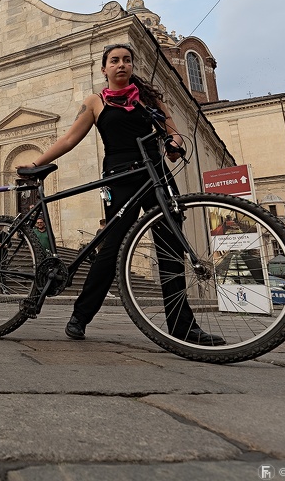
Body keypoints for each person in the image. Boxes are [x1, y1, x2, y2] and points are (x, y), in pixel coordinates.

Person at [29, 43, 224, 346]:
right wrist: (35, 163)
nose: (121, 64)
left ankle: (183, 327)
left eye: (127, 60)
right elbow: (68, 139)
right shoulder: (95, 102)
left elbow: (172, 132)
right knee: (113, 246)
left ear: (133, 66)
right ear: (104, 68)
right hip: (119, 177)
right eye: (114, 60)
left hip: (155, 174)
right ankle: (80, 315)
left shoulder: (150, 99)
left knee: (171, 245)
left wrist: (174, 145)